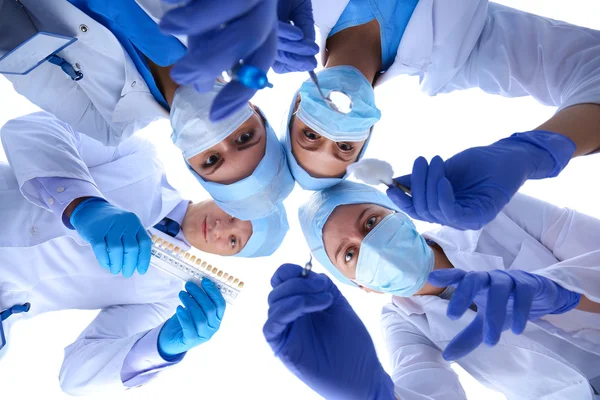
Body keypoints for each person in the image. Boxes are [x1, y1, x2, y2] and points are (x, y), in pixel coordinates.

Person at [0, 112, 272, 394]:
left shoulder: (163, 297)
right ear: (224, 196)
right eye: (233, 216)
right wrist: (82, 204)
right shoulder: (140, 159)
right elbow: (29, 128)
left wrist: (161, 348)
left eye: (232, 241)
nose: (219, 229)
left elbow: (75, 377)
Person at [262, 181, 600, 399]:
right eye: (349, 254)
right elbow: (429, 389)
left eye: (370, 222)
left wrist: (565, 293)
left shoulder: (494, 215)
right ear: (360, 286)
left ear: (401, 215)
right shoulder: (403, 323)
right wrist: (374, 396)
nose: (372, 246)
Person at [1, 0, 313, 219]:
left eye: (212, 159)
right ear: (255, 111)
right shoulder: (232, 20)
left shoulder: (107, 123)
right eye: (245, 138)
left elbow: (16, 52)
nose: (219, 134)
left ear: (188, 161)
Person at [282, 0, 600, 199]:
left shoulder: (293, 8)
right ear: (365, 134)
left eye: (310, 135)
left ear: (297, 105)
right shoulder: (456, 58)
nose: (333, 131)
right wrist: (533, 152)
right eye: (344, 147)